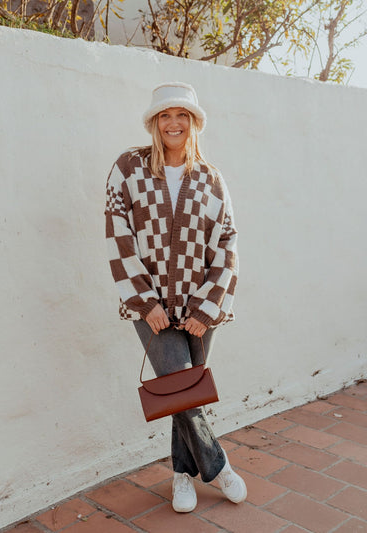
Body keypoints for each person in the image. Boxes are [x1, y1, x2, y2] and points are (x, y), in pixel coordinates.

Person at [104, 81, 247, 513]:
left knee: (188, 395)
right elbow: (118, 237)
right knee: (184, 394)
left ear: (194, 123)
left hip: (201, 308)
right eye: (165, 115)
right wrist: (147, 303)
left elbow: (227, 243)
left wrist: (207, 307)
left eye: (182, 115)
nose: (173, 123)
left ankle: (181, 477)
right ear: (153, 122)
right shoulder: (127, 168)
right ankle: (218, 466)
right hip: (151, 308)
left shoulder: (210, 177)